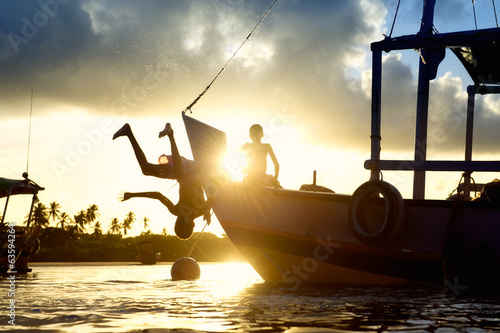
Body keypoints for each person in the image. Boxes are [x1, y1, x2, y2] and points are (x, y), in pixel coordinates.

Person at [113, 122, 214, 240]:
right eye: (182, 221)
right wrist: (208, 208)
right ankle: (171, 135)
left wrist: (132, 195)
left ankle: (128, 132)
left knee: (146, 170)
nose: (180, 217)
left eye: (178, 220)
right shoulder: (199, 210)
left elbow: (157, 195)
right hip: (194, 170)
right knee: (179, 173)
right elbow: (213, 194)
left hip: (180, 171)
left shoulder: (176, 210)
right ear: (190, 223)